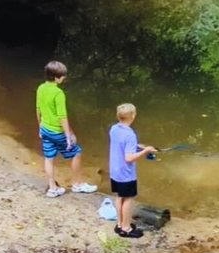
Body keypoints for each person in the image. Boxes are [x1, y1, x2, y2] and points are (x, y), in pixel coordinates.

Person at [36, 60, 96, 198]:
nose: (64, 78)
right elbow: (62, 117)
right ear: (56, 77)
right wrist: (69, 135)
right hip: (57, 131)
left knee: (49, 158)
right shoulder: (58, 93)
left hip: (45, 129)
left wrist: (40, 127)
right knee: (76, 152)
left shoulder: (41, 88)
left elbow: (38, 110)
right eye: (62, 76)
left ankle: (52, 188)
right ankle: (77, 184)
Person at [108, 102, 156, 238]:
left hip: (115, 171)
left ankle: (119, 224)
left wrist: (138, 146)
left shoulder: (114, 129)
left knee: (119, 197)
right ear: (133, 116)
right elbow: (129, 158)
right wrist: (145, 151)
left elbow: (121, 144)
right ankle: (126, 228)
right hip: (126, 173)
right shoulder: (130, 135)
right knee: (128, 199)